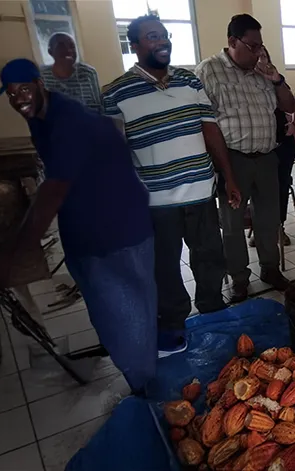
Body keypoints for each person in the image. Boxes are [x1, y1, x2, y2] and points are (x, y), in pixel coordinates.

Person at [0, 59, 156, 393]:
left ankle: (146, 390)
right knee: (109, 312)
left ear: (39, 83)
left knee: (129, 316)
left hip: (117, 232)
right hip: (86, 229)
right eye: (9, 93)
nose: (17, 98)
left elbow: (52, 192)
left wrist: (13, 257)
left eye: (23, 88)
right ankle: (134, 368)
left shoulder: (68, 122)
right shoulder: (39, 117)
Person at [102, 15, 241, 357]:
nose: (162, 41)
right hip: (155, 199)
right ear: (134, 46)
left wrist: (229, 176)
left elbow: (211, 131)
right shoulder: (116, 92)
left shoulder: (190, 81)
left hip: (200, 191)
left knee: (210, 257)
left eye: (164, 35)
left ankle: (212, 312)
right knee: (164, 266)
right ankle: (174, 324)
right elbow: (114, 153)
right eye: (152, 37)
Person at [195, 14, 295, 300]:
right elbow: (201, 122)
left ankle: (270, 268)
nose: (257, 53)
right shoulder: (208, 71)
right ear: (232, 42)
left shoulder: (263, 72)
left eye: (260, 47)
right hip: (233, 160)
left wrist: (276, 79)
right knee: (232, 223)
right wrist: (221, 169)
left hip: (266, 157)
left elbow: (290, 105)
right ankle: (239, 277)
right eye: (252, 46)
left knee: (268, 219)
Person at [248, 45, 295, 249]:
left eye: (264, 55)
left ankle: (279, 226)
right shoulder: (244, 82)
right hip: (257, 143)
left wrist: (294, 121)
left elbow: (293, 104)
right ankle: (258, 227)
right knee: (257, 188)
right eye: (256, 55)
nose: (261, 59)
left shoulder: (276, 79)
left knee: (281, 185)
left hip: (282, 142)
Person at [39, 33, 102, 113]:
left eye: (72, 46)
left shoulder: (89, 73)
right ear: (50, 52)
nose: (69, 50)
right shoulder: (42, 75)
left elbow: (98, 107)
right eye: (61, 46)